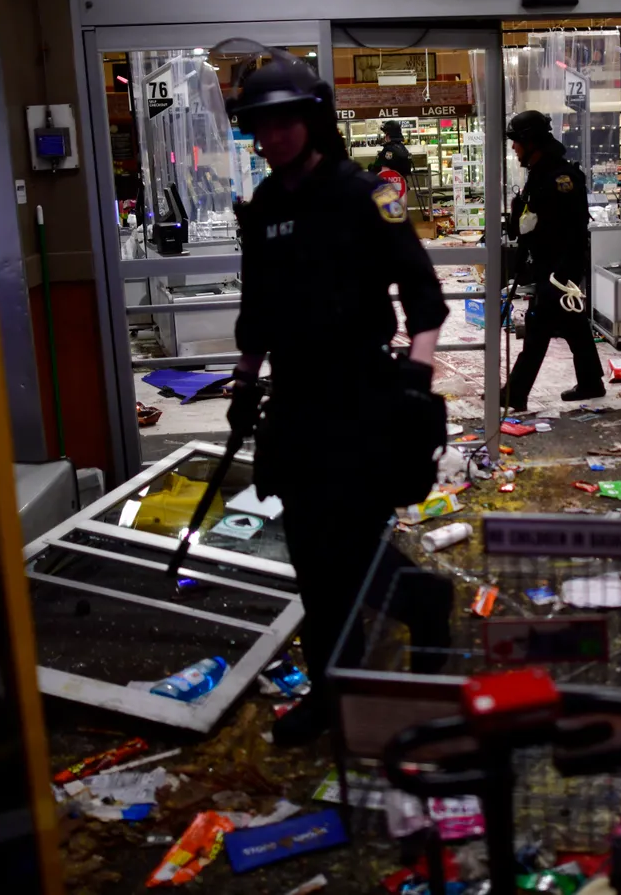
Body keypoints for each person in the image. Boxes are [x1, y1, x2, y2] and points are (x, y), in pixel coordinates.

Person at [225, 53, 453, 747]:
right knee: (311, 562)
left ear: (313, 119)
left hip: (362, 398)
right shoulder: (265, 207)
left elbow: (424, 296)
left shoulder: (368, 193)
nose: (275, 135)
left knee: (349, 550)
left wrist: (416, 379)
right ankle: (332, 694)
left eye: (287, 119)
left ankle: (423, 602)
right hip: (294, 404)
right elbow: (257, 309)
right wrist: (243, 383)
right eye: (263, 124)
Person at [498, 110, 605, 412]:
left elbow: (559, 228)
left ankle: (515, 394)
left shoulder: (560, 178)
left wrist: (558, 272)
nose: (514, 148)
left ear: (532, 142)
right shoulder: (540, 172)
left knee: (538, 327)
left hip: (561, 267)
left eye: (517, 141)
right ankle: (591, 381)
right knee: (573, 323)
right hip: (551, 264)